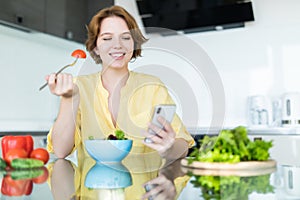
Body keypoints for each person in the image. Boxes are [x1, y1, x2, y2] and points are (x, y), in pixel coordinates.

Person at [46, 5, 195, 163]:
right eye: (107, 38)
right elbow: (61, 151)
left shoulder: (152, 86)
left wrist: (170, 148)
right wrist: (70, 98)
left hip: (143, 186)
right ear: (95, 47)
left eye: (125, 37)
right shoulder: (78, 87)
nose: (117, 45)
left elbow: (183, 146)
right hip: (91, 185)